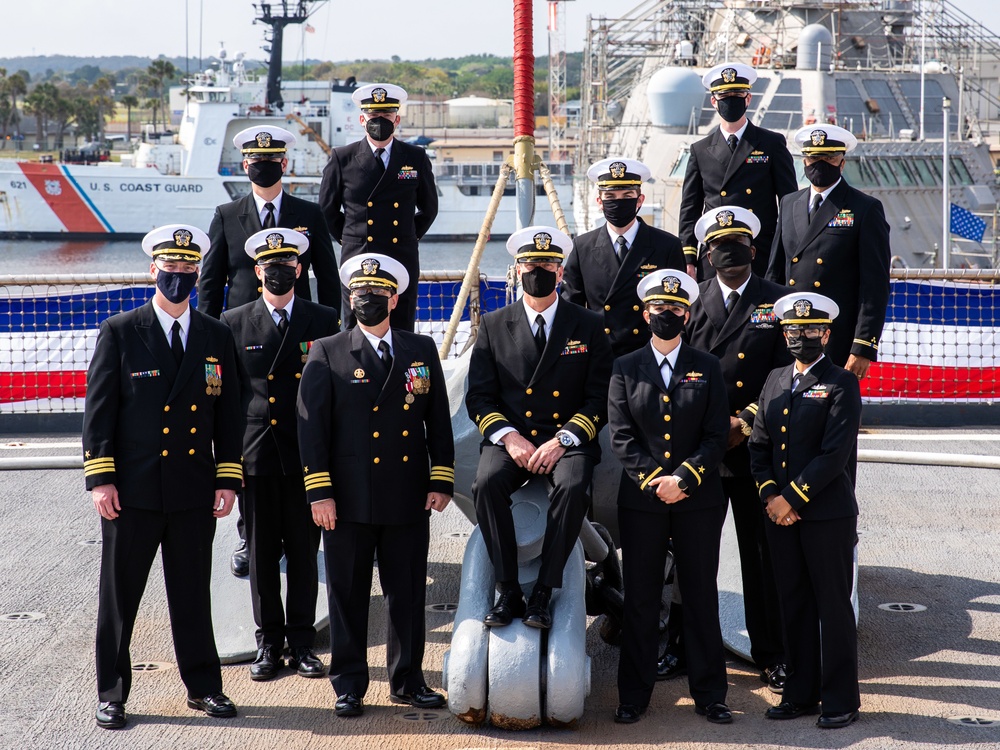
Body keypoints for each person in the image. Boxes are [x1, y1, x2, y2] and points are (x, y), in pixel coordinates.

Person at [83, 224, 244, 729]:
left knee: (193, 595)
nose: (178, 277)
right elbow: (99, 413)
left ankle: (203, 686)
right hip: (131, 491)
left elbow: (231, 414)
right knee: (119, 596)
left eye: (186, 270)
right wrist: (100, 480)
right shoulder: (122, 331)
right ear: (153, 270)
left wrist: (228, 478)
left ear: (198, 272)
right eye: (169, 269)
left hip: (193, 488)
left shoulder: (217, 335)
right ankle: (112, 692)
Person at [297, 253, 454, 718]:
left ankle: (408, 679)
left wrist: (440, 477)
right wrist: (318, 492)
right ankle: (348, 684)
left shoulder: (420, 350)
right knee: (347, 594)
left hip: (405, 493)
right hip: (346, 499)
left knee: (406, 593)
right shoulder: (328, 351)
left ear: (395, 297)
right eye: (361, 293)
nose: (369, 299)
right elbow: (311, 428)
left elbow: (437, 421)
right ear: (350, 298)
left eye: (378, 293)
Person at [199, 124, 340, 578]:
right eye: (254, 161)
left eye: (271, 160)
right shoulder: (226, 214)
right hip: (242, 339)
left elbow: (328, 277)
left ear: (285, 164)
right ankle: (248, 534)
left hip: (299, 337)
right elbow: (211, 282)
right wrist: (207, 336)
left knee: (304, 426)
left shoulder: (308, 212)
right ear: (245, 166)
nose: (262, 167)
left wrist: (332, 334)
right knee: (247, 429)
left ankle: (305, 526)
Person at [466, 226, 613, 630]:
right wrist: (509, 438)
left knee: (572, 487)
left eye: (548, 264)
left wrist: (563, 439)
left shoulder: (587, 325)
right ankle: (508, 589)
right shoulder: (495, 325)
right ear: (517, 270)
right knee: (486, 483)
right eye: (532, 264)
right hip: (513, 437)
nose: (539, 271)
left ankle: (544, 593)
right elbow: (478, 397)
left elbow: (598, 398)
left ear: (561, 273)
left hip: (567, 439)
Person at [608, 269, 731, 725]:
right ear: (645, 314)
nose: (667, 315)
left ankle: (711, 694)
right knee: (640, 597)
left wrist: (685, 478)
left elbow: (717, 434)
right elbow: (621, 437)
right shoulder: (624, 367)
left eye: (676, 309)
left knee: (699, 594)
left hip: (698, 498)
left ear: (687, 314)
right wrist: (656, 480)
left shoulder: (708, 366)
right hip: (642, 501)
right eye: (659, 308)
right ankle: (633, 695)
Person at [221, 228, 341, 683]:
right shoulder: (234, 322)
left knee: (307, 555)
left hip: (307, 456)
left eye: (287, 264)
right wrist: (228, 465)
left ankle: (303, 643)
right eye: (269, 265)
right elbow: (229, 399)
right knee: (263, 556)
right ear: (256, 271)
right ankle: (269, 643)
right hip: (256, 456)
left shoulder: (323, 319)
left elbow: (334, 392)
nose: (278, 271)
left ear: (300, 268)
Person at [684, 206, 791, 692]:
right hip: (703, 450)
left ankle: (771, 654)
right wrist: (712, 426)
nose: (730, 254)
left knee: (760, 557)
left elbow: (786, 375)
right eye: (720, 246)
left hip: (754, 449)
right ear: (707, 253)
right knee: (693, 557)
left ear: (753, 249)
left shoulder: (778, 303)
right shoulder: (691, 301)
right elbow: (677, 371)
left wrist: (745, 420)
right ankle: (687, 649)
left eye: (738, 245)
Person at [748, 292, 862, 729]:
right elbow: (759, 445)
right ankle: (799, 692)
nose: (800, 337)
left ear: (827, 333)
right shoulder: (775, 378)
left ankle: (840, 699)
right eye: (793, 330)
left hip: (826, 516)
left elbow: (834, 454)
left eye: (810, 330)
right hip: (779, 515)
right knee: (792, 603)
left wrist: (790, 499)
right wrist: (770, 496)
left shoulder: (840, 382)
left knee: (832, 606)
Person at [766, 124, 891, 378]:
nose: (820, 164)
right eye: (813, 158)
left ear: (842, 163)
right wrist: (766, 330)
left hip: (835, 337)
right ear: (804, 161)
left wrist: (863, 346)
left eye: (829, 158)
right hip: (791, 334)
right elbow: (775, 275)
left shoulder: (865, 209)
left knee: (834, 412)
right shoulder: (789, 203)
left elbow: (874, 286)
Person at [318, 83, 438, 331]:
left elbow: (429, 208)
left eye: (386, 115)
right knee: (357, 321)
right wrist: (351, 237)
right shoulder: (343, 157)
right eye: (374, 115)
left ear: (397, 119)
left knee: (401, 323)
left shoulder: (415, 157)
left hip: (400, 254)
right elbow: (327, 209)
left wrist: (408, 235)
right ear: (362, 119)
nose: (380, 120)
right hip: (359, 254)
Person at [678, 62, 797, 281]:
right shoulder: (700, 150)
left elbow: (789, 203)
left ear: (748, 99)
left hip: (760, 250)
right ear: (714, 101)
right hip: (716, 250)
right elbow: (690, 209)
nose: (730, 100)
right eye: (724, 96)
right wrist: (688, 258)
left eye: (737, 94)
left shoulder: (771, 143)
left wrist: (786, 251)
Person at [562, 157, 686, 357]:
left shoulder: (667, 246)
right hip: (601, 357)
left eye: (627, 195)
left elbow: (680, 307)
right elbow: (572, 311)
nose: (618, 202)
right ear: (599, 202)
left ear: (640, 200)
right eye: (610, 196)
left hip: (648, 356)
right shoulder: (582, 247)